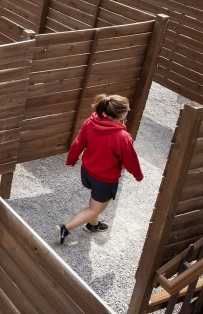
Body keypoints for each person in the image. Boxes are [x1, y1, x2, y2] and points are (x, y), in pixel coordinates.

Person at [55, 94, 143, 245]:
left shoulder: (91, 122)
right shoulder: (122, 137)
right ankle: (65, 228)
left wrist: (72, 159)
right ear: (121, 114)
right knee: (95, 209)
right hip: (104, 180)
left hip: (87, 172)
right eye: (128, 109)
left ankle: (93, 225)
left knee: (95, 203)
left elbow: (78, 143)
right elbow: (131, 161)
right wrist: (138, 175)